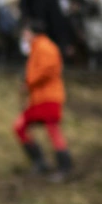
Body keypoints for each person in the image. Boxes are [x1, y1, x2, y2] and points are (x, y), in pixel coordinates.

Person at [14, 20, 72, 180]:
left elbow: (48, 70)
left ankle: (63, 166)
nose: (23, 35)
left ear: (33, 32)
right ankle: (41, 162)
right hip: (39, 98)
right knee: (20, 126)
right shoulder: (37, 48)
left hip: (49, 98)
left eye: (25, 32)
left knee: (52, 130)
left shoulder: (45, 47)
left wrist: (28, 80)